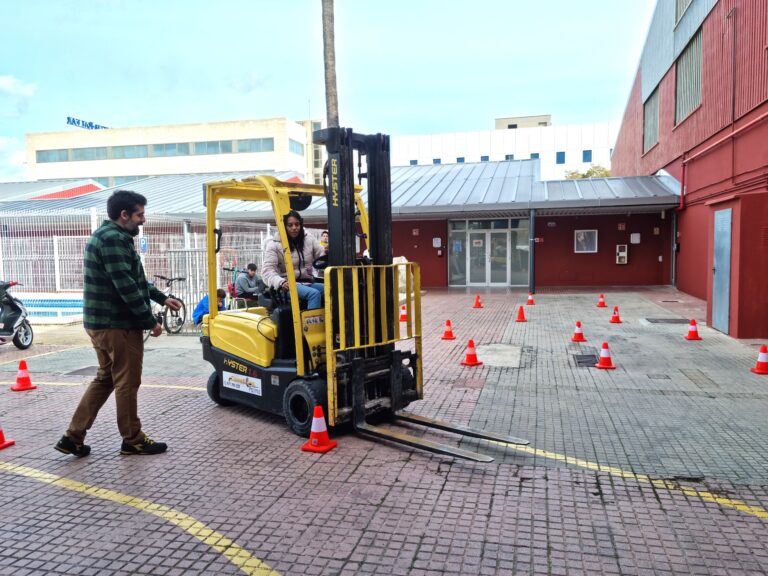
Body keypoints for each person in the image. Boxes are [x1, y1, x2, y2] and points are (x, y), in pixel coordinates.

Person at [54, 190, 182, 458]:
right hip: (116, 325)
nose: (143, 220)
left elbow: (134, 279)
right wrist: (150, 322)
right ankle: (132, 439)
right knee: (127, 381)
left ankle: (73, 437)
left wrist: (162, 297)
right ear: (124, 215)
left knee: (106, 378)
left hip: (103, 322)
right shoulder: (113, 240)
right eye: (140, 214)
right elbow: (126, 286)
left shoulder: (112, 237)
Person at [262, 210, 325, 309]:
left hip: (308, 282)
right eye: (290, 225)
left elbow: (321, 256)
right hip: (287, 286)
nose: (294, 228)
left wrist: (329, 252)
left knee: (332, 290)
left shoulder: (309, 239)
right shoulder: (274, 244)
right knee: (314, 294)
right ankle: (310, 324)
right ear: (284, 226)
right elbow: (267, 271)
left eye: (297, 224)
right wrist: (280, 282)